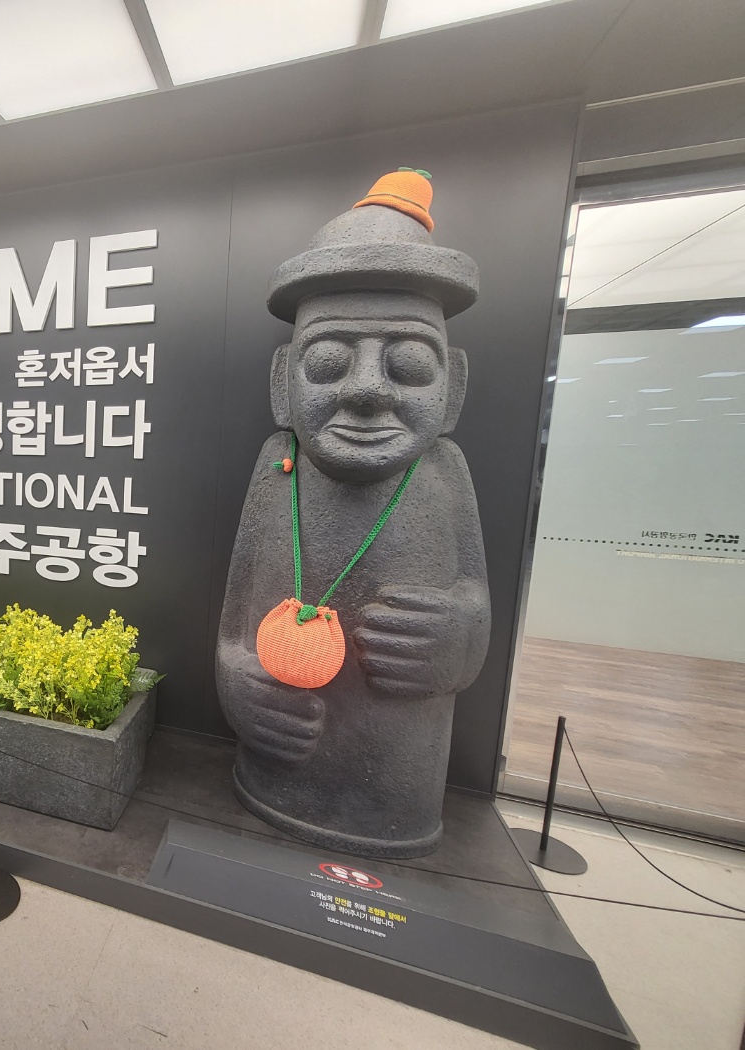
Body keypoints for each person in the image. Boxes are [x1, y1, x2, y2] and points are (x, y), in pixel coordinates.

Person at [216, 170, 491, 859]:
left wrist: (457, 637)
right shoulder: (276, 468)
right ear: (285, 382)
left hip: (399, 786)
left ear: (451, 387)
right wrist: (237, 687)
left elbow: (476, 602)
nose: (367, 389)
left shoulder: (443, 474)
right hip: (278, 760)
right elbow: (231, 623)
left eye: (407, 364)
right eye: (331, 360)